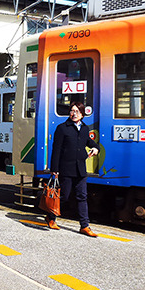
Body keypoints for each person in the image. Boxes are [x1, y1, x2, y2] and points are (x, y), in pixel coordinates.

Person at [46, 101, 99, 237]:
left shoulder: (85, 128)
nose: (74, 113)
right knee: (63, 196)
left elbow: (88, 141)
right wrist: (54, 169)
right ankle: (51, 217)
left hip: (80, 168)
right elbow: (56, 149)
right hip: (66, 168)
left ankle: (84, 226)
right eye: (72, 111)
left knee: (82, 197)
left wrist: (95, 147)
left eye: (77, 111)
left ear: (82, 114)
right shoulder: (62, 128)